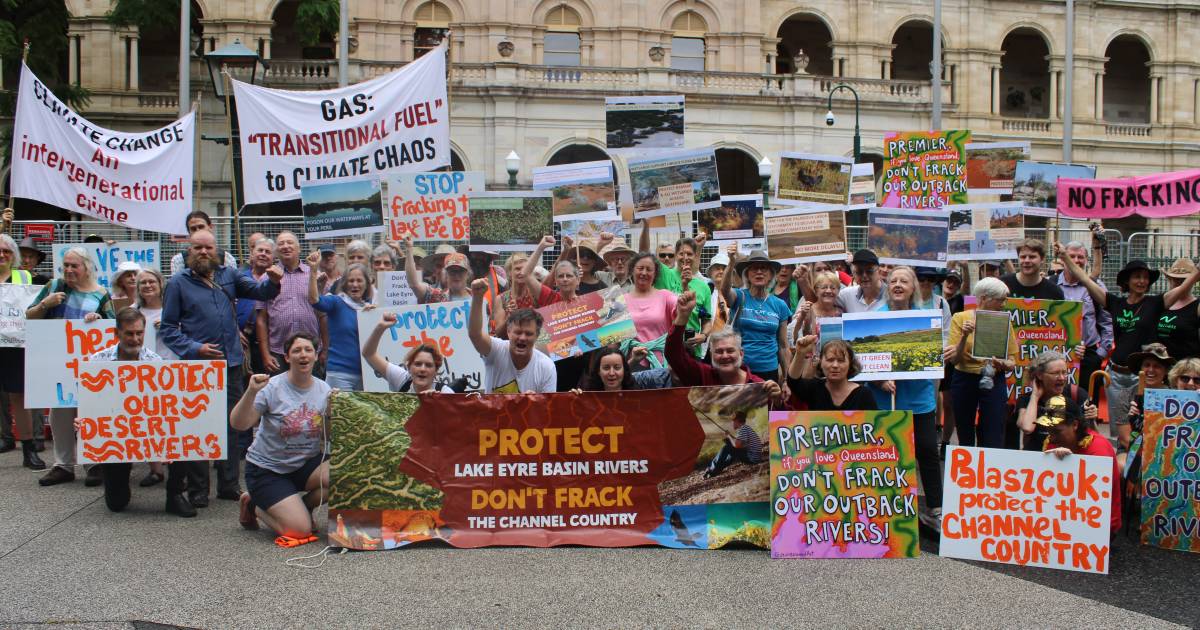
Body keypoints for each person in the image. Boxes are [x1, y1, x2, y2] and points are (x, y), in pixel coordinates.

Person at [161, 229, 283, 505]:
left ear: (217, 250)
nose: (203, 253)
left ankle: (228, 484)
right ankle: (198, 490)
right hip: (197, 368)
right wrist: (195, 348)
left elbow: (258, 290)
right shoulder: (177, 283)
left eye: (208, 248)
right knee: (198, 427)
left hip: (230, 364)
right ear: (188, 252)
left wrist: (273, 282)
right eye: (197, 248)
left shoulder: (229, 274)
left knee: (232, 426)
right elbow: (168, 329)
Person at [1056, 245, 1200, 450]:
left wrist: (1197, 272)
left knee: (1147, 428)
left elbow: (1184, 288)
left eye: (1145, 278)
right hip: (1116, 376)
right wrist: (1065, 258)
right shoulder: (1115, 303)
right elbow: (1086, 280)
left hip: (1143, 376)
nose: (1142, 281)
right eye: (1137, 277)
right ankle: (1125, 470)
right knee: (1121, 434)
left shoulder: (1156, 303)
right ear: (1127, 281)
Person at [82, 308, 201, 517]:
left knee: (185, 432)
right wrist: (83, 420)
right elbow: (88, 402)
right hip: (115, 432)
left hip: (148, 428)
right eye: (129, 333)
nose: (135, 339)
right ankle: (118, 476)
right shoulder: (97, 361)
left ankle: (174, 494)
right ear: (116, 333)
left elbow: (165, 406)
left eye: (139, 333)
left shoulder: (155, 362)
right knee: (117, 503)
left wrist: (167, 441)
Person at [27, 246, 116, 486]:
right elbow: (30, 317)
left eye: (73, 266)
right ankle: (63, 465)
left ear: (86, 268)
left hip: (90, 365)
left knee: (89, 411)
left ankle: (93, 462)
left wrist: (98, 321)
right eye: (65, 265)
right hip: (59, 363)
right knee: (60, 412)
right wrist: (45, 304)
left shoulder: (100, 293)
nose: (68, 270)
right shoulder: (54, 287)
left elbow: (111, 328)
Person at [867, 266, 945, 530]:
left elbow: (933, 359)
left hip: (919, 400)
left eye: (904, 281)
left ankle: (936, 508)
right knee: (888, 455)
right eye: (893, 281)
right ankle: (890, 506)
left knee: (926, 451)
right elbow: (862, 362)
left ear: (914, 287)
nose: (898, 284)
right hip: (884, 401)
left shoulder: (927, 319)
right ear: (888, 287)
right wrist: (878, 378)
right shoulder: (875, 317)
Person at [233, 333, 331, 539]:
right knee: (299, 531)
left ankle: (303, 507)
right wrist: (251, 392)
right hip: (267, 469)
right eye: (296, 350)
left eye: (308, 350)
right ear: (287, 358)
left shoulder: (324, 389)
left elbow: (329, 436)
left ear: (315, 356)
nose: (303, 355)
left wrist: (332, 415)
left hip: (304, 465)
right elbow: (239, 424)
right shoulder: (271, 387)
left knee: (346, 477)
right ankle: (253, 505)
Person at [946, 277, 1019, 449]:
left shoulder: (1003, 321)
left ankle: (989, 471)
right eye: (1000, 299)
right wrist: (964, 336)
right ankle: (967, 471)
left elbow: (1012, 361)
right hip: (964, 378)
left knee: (993, 431)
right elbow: (954, 360)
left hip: (994, 378)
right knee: (964, 431)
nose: (1004, 304)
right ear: (984, 298)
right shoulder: (960, 318)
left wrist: (1003, 364)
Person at [666, 291, 784, 397]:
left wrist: (777, 402)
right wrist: (682, 316)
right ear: (711, 355)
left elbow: (781, 419)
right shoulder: (702, 376)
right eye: (719, 351)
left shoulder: (759, 386)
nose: (725, 356)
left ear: (741, 354)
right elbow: (673, 355)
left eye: (730, 350)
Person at [1040, 399, 1121, 531]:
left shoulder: (1098, 449)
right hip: (1064, 517)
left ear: (1075, 425)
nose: (1051, 437)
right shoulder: (1053, 441)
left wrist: (1068, 465)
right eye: (1049, 431)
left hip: (1100, 526)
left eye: (1056, 431)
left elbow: (1092, 500)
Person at [0, 234, 45, 470]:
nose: (2, 255)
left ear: (13, 255)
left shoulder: (24, 276)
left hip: (14, 344)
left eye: (7, 251)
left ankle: (29, 450)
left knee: (19, 396)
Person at [468, 278, 556, 393]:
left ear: (537, 335)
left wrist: (536, 402)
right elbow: (475, 335)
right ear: (508, 332)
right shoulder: (496, 350)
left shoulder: (546, 366)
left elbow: (548, 408)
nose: (522, 338)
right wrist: (477, 297)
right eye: (518, 332)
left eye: (528, 334)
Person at [257, 231, 324, 377]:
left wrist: (325, 350)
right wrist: (265, 355)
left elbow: (323, 316)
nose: (285, 246)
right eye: (281, 244)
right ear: (276, 251)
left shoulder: (314, 275)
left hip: (311, 350)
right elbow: (261, 319)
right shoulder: (266, 277)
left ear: (299, 248)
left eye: (289, 242)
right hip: (278, 352)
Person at [719, 247, 791, 383]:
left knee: (767, 404)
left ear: (771, 275)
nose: (759, 272)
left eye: (763, 268)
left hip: (769, 370)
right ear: (747, 275)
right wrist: (731, 262)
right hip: (739, 367)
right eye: (754, 269)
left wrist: (786, 379)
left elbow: (783, 345)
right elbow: (724, 289)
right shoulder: (739, 296)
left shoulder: (780, 305)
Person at [131, 268, 175, 486]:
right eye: (142, 283)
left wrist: (169, 326)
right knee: (149, 420)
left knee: (173, 420)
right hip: (144, 372)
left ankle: (177, 469)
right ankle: (155, 469)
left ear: (160, 284)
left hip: (171, 368)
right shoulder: (134, 310)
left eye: (151, 281)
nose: (147, 286)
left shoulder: (173, 309)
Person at [306, 250, 372, 391]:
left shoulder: (371, 309)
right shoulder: (336, 302)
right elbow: (314, 300)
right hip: (340, 374)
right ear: (344, 284)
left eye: (359, 280)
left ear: (367, 284)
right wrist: (313, 270)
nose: (355, 285)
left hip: (367, 374)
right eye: (351, 281)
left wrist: (374, 314)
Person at [1057, 238, 1114, 390]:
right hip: (1058, 356)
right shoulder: (1051, 285)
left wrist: (1100, 354)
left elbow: (1107, 321)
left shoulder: (1096, 286)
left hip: (1088, 356)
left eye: (1080, 257)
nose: (1076, 260)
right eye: (1072, 256)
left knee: (1087, 406)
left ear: (1086, 260)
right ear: (1062, 259)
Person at [1015, 351, 1098, 451]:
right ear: (1040, 375)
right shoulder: (1027, 399)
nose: (1062, 378)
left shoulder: (1076, 394)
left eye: (1064, 372)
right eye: (1055, 373)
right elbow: (1027, 428)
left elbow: (1093, 437)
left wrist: (1092, 419)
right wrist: (1035, 397)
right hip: (1038, 460)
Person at [361, 312, 455, 393]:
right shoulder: (402, 380)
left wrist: (439, 403)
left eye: (429, 365)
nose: (422, 369)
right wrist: (380, 327)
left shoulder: (445, 393)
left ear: (436, 371)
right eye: (418, 364)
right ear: (409, 367)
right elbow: (369, 354)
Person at [787, 336, 877, 411]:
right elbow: (793, 382)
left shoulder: (864, 394)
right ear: (821, 363)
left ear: (850, 364)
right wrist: (800, 354)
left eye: (841, 361)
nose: (835, 365)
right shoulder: (814, 388)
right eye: (830, 360)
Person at [623, 252, 678, 369]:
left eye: (649, 269)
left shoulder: (666, 296)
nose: (644, 273)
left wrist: (685, 296)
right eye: (640, 268)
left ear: (655, 274)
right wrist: (577, 345)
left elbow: (682, 312)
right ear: (632, 270)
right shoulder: (620, 301)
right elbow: (607, 337)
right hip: (633, 363)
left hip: (663, 364)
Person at [787, 270, 843, 376]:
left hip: (835, 367)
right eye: (824, 287)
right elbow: (793, 339)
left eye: (833, 287)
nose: (828, 291)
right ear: (816, 290)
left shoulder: (841, 312)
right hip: (810, 369)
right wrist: (803, 316)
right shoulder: (807, 309)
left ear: (838, 291)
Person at [237, 238, 275, 375]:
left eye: (268, 252)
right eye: (260, 250)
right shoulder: (238, 277)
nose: (263, 254)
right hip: (242, 342)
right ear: (252, 254)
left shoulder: (277, 280)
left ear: (274, 258)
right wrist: (235, 330)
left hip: (268, 344)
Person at [405, 235, 471, 304]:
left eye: (461, 271)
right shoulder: (436, 296)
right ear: (446, 274)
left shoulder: (478, 296)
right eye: (452, 271)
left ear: (468, 273)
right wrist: (409, 248)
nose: (456, 275)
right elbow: (414, 284)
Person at [168, 210, 237, 275]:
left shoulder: (227, 258)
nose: (198, 231)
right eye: (193, 229)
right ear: (189, 232)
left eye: (201, 227)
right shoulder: (178, 260)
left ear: (210, 227)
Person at [1157, 258, 1200, 360]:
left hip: (1185, 369)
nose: (1179, 283)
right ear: (1169, 279)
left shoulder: (1197, 307)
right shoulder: (1160, 303)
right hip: (1160, 367)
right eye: (1175, 279)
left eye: (1184, 280)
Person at [703, 411, 764, 479]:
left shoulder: (743, 429)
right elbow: (741, 444)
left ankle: (712, 469)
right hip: (755, 457)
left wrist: (729, 436)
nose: (732, 424)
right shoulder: (745, 428)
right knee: (731, 452)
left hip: (752, 458)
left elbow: (737, 445)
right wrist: (730, 438)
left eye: (732, 421)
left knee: (726, 448)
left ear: (737, 421)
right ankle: (715, 470)